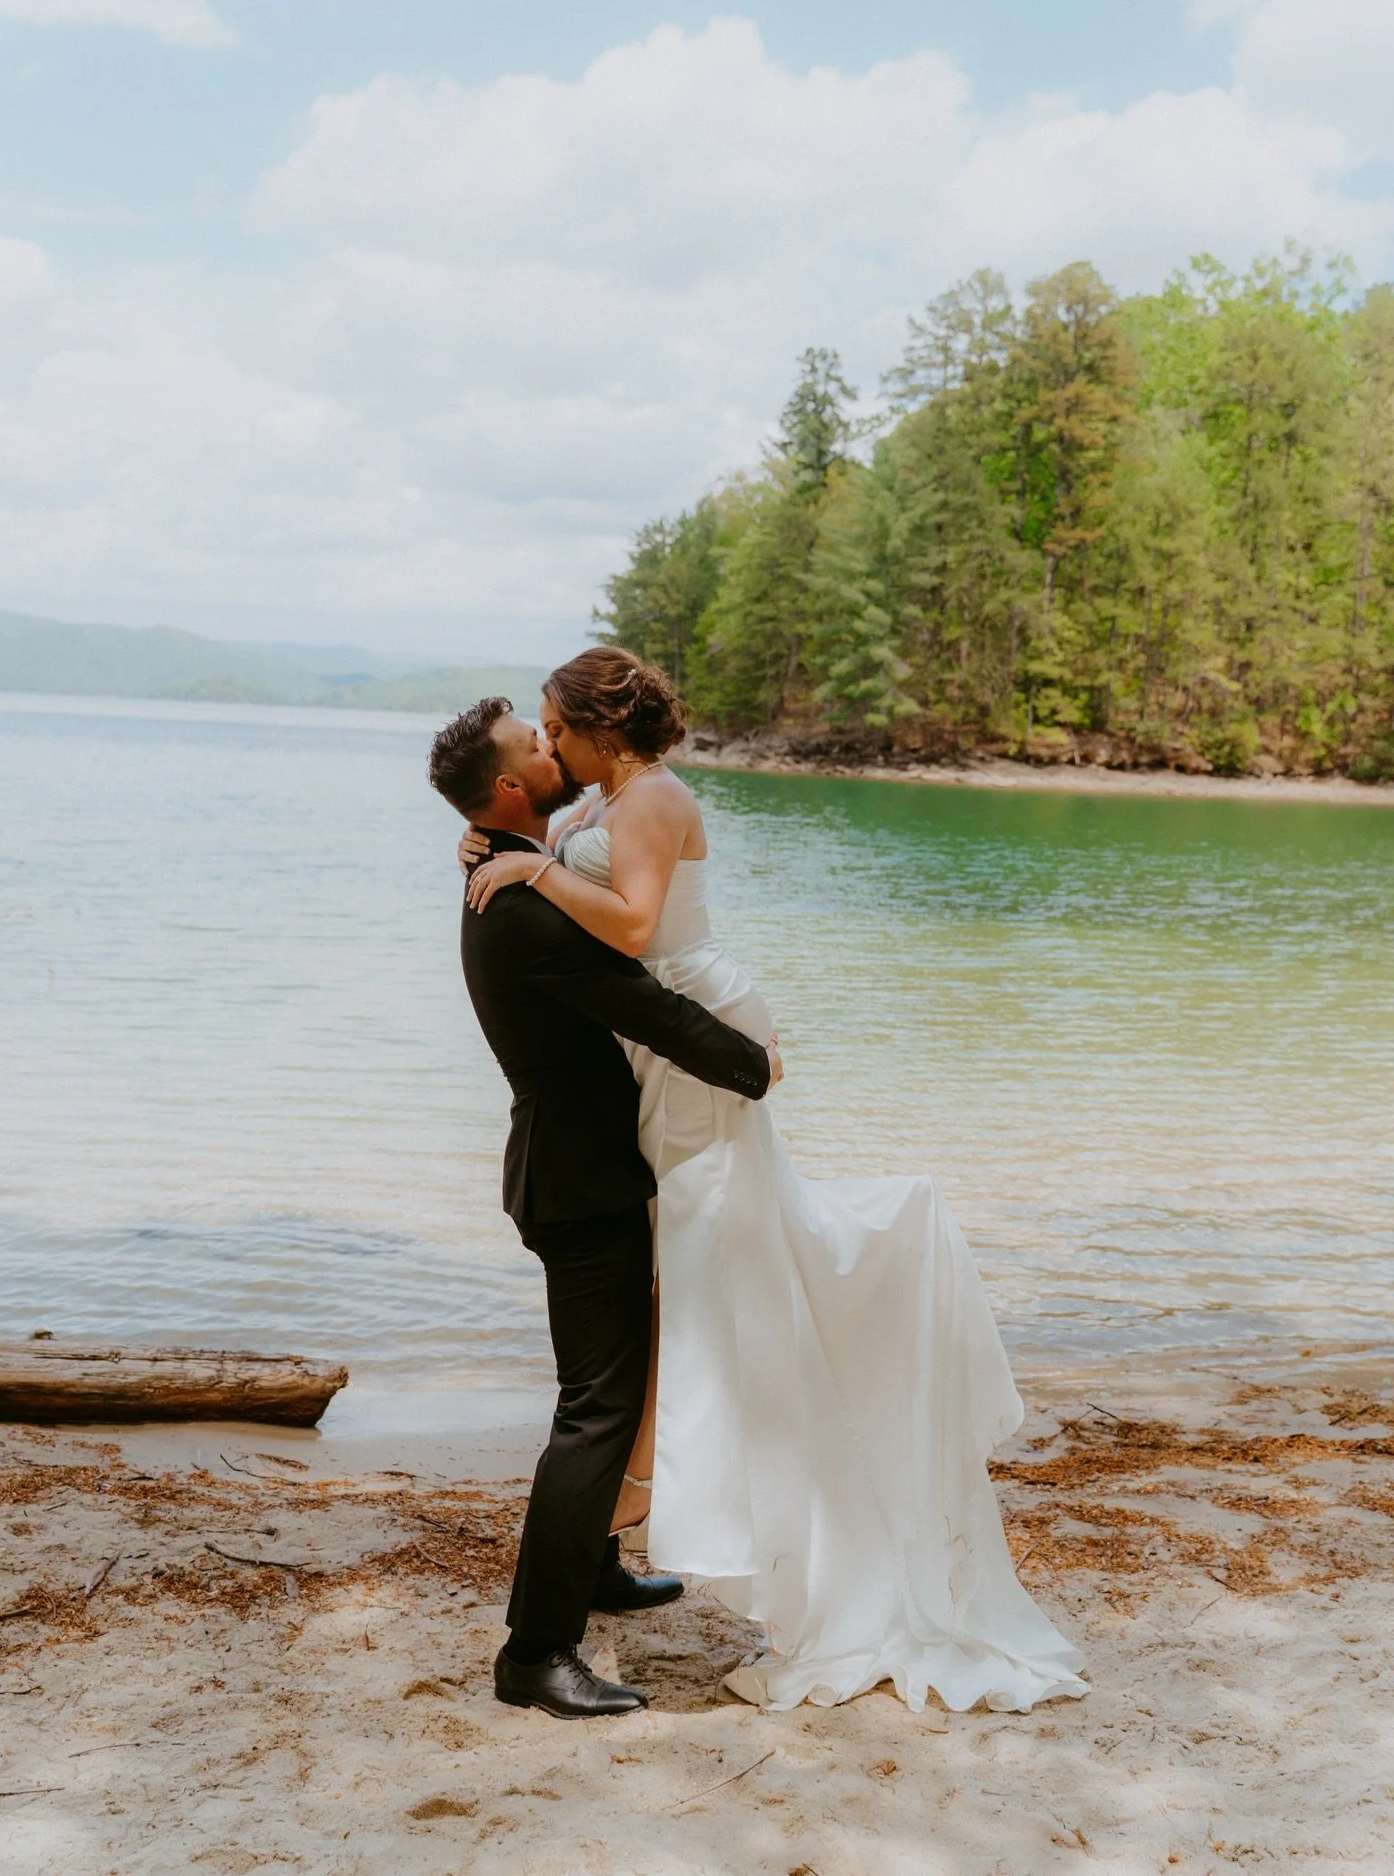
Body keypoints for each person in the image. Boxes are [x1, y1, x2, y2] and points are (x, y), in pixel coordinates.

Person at [460, 647, 1089, 1714]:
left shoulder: (640, 804)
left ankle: (618, 1571)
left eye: (555, 727)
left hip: (691, 1039)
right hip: (645, 1078)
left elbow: (635, 935)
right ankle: (596, 1571)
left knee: (710, 1289)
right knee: (666, 1318)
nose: (550, 742)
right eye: (538, 739)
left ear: (599, 731)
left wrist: (533, 867)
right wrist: (510, 846)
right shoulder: (588, 812)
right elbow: (586, 914)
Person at [427, 699, 778, 1721]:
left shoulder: (509, 865)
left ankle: (595, 1570)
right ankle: (535, 1650)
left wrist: (504, 844)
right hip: (580, 1184)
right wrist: (751, 1066)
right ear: (508, 787)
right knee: (597, 1408)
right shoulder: (521, 901)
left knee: (602, 1392)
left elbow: (586, 869)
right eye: (533, 744)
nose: (551, 747)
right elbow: (646, 1005)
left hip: (577, 1171)